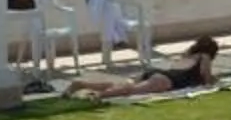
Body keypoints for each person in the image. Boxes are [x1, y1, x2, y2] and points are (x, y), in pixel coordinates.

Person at [66, 34, 221, 101]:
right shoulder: (204, 57)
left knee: (123, 84)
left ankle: (81, 84)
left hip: (158, 74)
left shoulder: (186, 55)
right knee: (130, 90)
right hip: (166, 81)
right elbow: (205, 76)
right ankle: (99, 96)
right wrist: (212, 81)